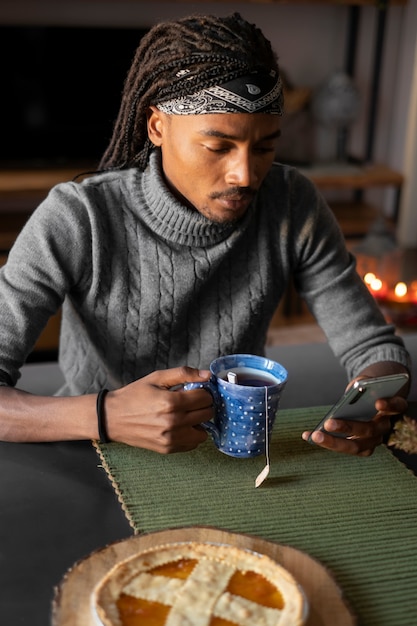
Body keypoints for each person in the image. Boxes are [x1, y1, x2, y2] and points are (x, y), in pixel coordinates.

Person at [0, 13, 410, 456]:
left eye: (266, 146)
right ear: (157, 126)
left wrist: (379, 406)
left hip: (234, 453)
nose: (245, 174)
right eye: (218, 147)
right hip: (96, 451)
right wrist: (108, 415)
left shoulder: (292, 202)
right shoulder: (79, 217)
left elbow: (370, 343)